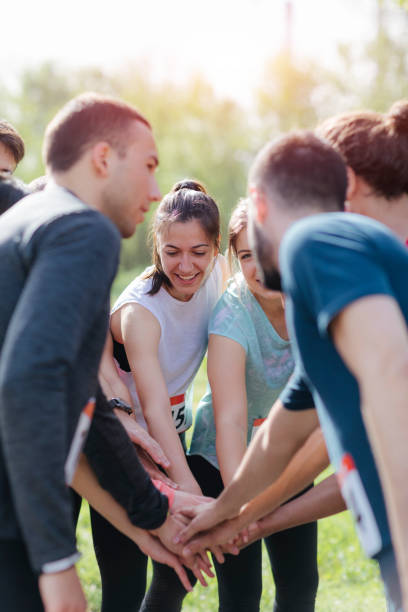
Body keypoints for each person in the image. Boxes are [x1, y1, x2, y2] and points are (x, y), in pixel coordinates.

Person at [179, 122, 408, 612]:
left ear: (258, 206)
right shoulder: (328, 285)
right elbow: (282, 434)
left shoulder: (314, 241)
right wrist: (227, 513)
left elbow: (393, 371)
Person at [0, 92, 200, 612]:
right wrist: (56, 561)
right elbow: (29, 384)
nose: (157, 191)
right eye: (149, 167)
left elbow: (84, 407)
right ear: (103, 159)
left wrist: (148, 515)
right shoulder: (81, 229)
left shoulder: (27, 221)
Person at [95, 179, 228, 611]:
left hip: (173, 432)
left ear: (216, 247)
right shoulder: (141, 313)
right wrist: (188, 489)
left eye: (198, 252)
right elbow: (151, 407)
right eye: (172, 252)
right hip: (122, 438)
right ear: (157, 244)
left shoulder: (219, 275)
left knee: (175, 567)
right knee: (125, 576)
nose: (186, 265)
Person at [187, 197, 319, 611]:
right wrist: (241, 507)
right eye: (246, 256)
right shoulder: (232, 315)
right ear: (234, 257)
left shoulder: (313, 304)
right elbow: (230, 419)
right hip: (226, 464)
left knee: (300, 586)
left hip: (286, 460)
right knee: (243, 595)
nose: (259, 267)